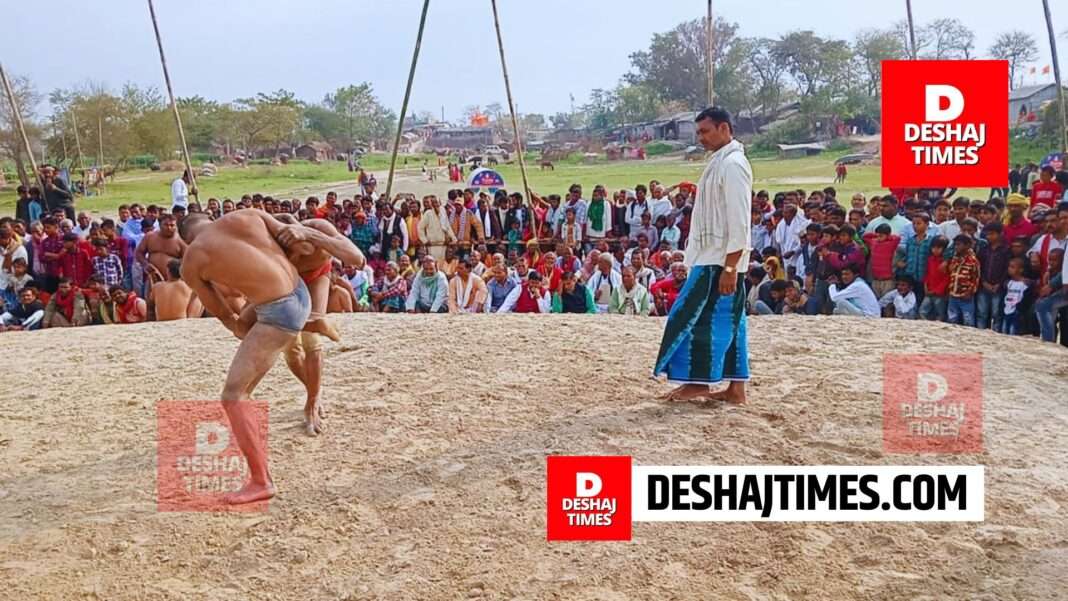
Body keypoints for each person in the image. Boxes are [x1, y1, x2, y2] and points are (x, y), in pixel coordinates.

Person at [178, 209, 342, 503]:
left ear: (186, 240)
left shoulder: (192, 260)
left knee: (233, 396)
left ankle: (260, 481)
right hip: (302, 291)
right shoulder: (248, 215)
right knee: (247, 391)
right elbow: (300, 245)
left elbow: (223, 314)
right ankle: (310, 320)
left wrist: (244, 331)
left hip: (278, 313)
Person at [655, 107, 751, 403]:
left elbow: (740, 219)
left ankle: (698, 383)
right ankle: (736, 389)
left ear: (724, 128)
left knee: (696, 318)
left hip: (720, 260)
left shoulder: (733, 164)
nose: (701, 138)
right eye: (698, 132)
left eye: (705, 131)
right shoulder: (718, 161)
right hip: (709, 256)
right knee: (733, 321)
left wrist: (731, 267)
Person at [946, 234, 980, 327]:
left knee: (968, 319)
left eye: (959, 245)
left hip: (965, 295)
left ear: (967, 245)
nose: (956, 247)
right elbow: (951, 271)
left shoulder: (973, 261)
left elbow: (975, 278)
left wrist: (970, 291)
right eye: (955, 245)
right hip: (953, 293)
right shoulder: (955, 257)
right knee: (952, 318)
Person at [1034, 248, 1068, 342]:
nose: (1051, 263)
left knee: (1043, 305)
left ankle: (1047, 340)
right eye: (1050, 260)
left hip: (1064, 291)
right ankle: (1048, 338)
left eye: (1055, 260)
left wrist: (1051, 285)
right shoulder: (1050, 271)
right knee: (1044, 306)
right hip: (1063, 292)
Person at [1001, 257, 1030, 335]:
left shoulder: (1025, 283)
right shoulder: (1008, 282)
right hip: (1006, 309)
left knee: (1013, 331)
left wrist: (1019, 308)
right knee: (1004, 330)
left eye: (1012, 267)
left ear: (1021, 270)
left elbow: (1027, 297)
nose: (1009, 269)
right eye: (1009, 266)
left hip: (1017, 311)